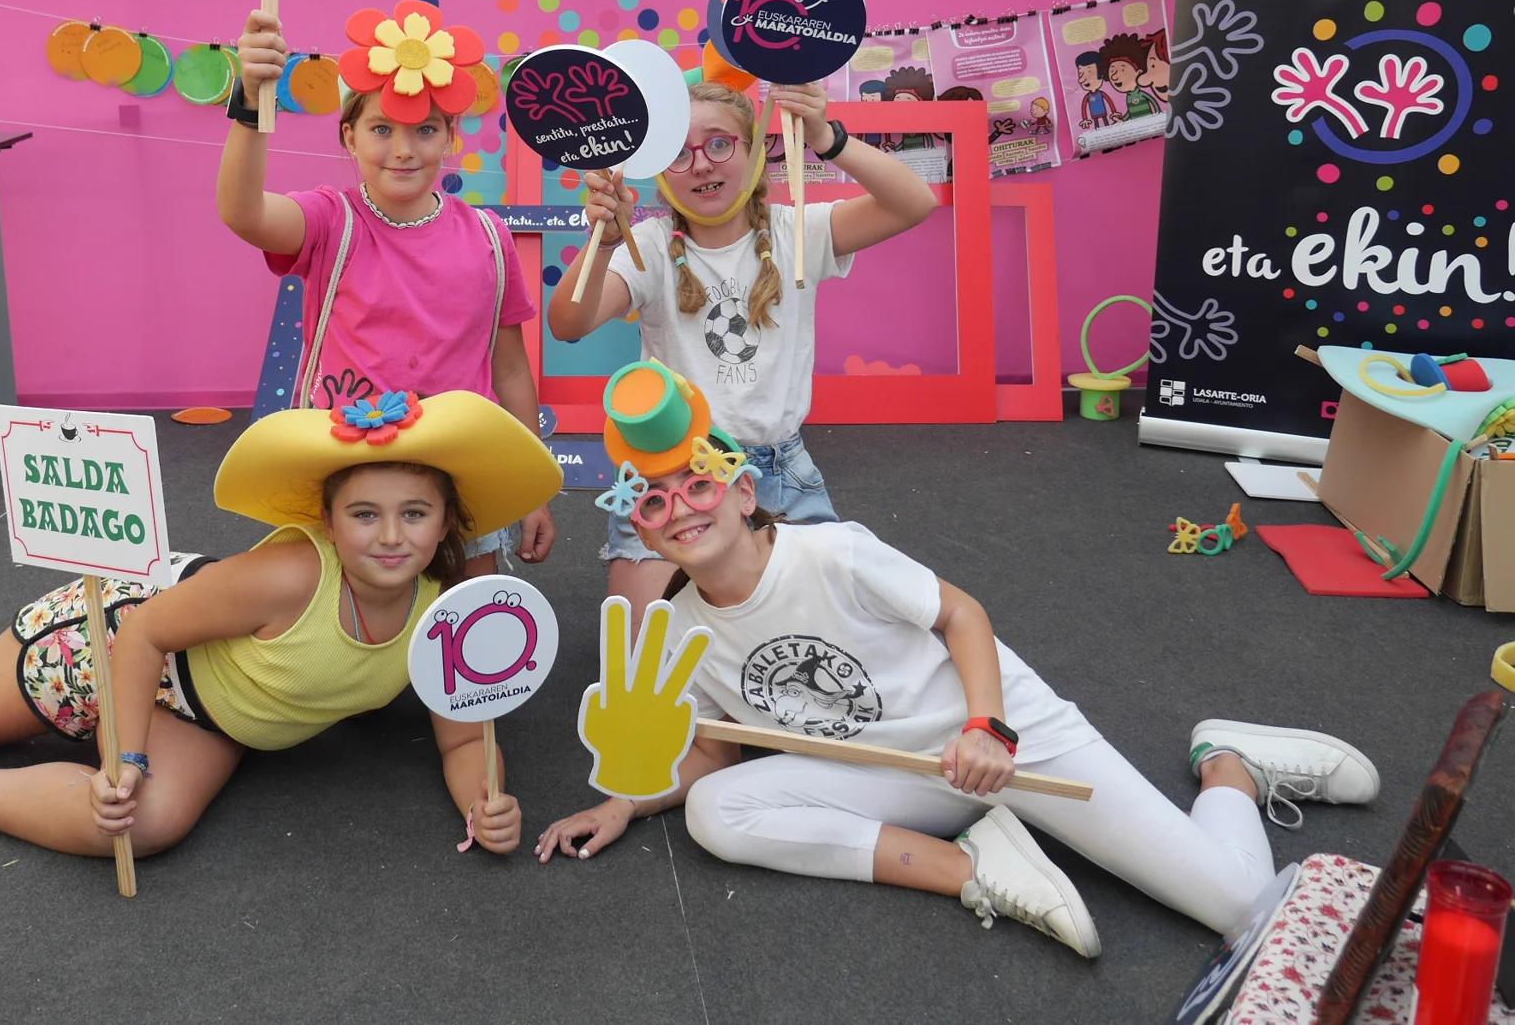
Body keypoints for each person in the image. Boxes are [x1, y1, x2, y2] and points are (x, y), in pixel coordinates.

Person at [534, 364, 1383, 956]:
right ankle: (974, 867)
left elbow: (961, 615)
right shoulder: (679, 630)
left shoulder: (831, 552)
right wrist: (624, 803)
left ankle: (1228, 764)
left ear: (743, 491)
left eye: (698, 484)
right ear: (639, 529)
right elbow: (715, 747)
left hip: (1006, 734)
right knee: (716, 812)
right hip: (897, 773)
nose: (681, 509)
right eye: (654, 501)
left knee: (1243, 909)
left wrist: (988, 728)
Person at [0, 390, 563, 858]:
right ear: (328, 521)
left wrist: (484, 803)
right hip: (117, 635)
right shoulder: (290, 574)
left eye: (414, 513)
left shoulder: (452, 612)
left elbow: (466, 734)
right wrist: (122, 755)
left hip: (214, 712)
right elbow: (147, 635)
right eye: (365, 514)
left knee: (137, 825)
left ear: (448, 521)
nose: (390, 537)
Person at [547, 80, 936, 624]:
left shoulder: (797, 231)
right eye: (679, 153)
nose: (702, 164)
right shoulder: (651, 246)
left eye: (719, 143)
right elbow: (567, 323)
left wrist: (828, 138)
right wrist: (605, 238)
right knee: (645, 656)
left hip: (779, 472)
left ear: (754, 152)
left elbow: (916, 202)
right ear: (660, 172)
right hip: (673, 471)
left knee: (816, 638)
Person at [218, 0, 557, 575]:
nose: (403, 150)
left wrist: (533, 486)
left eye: (425, 130)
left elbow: (510, 371)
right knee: (352, 616)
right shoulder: (331, 220)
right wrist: (251, 100)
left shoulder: (488, 236)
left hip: (459, 478)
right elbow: (242, 211)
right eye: (381, 129)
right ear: (349, 137)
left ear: (450, 137)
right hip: (355, 475)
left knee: (468, 617)